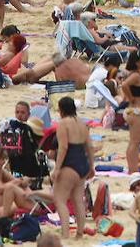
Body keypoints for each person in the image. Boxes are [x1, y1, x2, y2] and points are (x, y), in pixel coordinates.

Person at [52, 96, 94, 239]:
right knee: (78, 200)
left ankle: (65, 233)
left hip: (70, 162)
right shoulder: (82, 123)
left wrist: (57, 168)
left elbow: (63, 147)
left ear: (62, 109)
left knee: (60, 199)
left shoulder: (63, 123)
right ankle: (80, 233)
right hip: (83, 163)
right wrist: (92, 166)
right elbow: (90, 146)